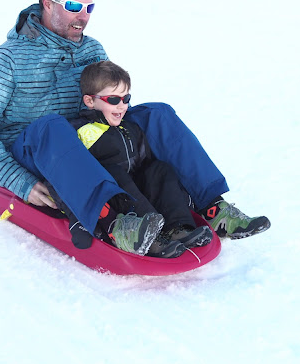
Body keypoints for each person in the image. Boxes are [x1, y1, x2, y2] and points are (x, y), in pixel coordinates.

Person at [0, 0, 270, 253]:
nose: (82, 15)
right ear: (47, 2)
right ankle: (113, 223)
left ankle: (213, 207)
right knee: (52, 126)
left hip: (86, 138)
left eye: (88, 7)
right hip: (38, 149)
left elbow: (107, 98)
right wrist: (19, 180)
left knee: (157, 114)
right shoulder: (11, 59)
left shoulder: (92, 50)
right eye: (72, 6)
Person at [70, 60, 215, 258]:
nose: (122, 106)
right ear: (89, 101)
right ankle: (148, 236)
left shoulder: (130, 128)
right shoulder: (82, 131)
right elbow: (73, 173)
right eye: (113, 100)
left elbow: (146, 163)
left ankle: (178, 227)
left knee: (159, 169)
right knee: (115, 172)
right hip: (112, 199)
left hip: (135, 191)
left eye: (126, 98)